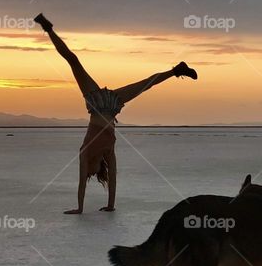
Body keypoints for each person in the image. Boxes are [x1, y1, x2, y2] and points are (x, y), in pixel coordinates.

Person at [34, 13, 198, 214]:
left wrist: (80, 208)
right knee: (146, 84)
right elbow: (113, 178)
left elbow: (81, 184)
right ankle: (176, 71)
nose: (90, 174)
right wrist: (111, 205)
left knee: (74, 61)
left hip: (95, 100)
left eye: (89, 174)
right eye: (93, 174)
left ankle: (48, 29)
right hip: (111, 105)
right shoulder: (108, 153)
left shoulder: (84, 154)